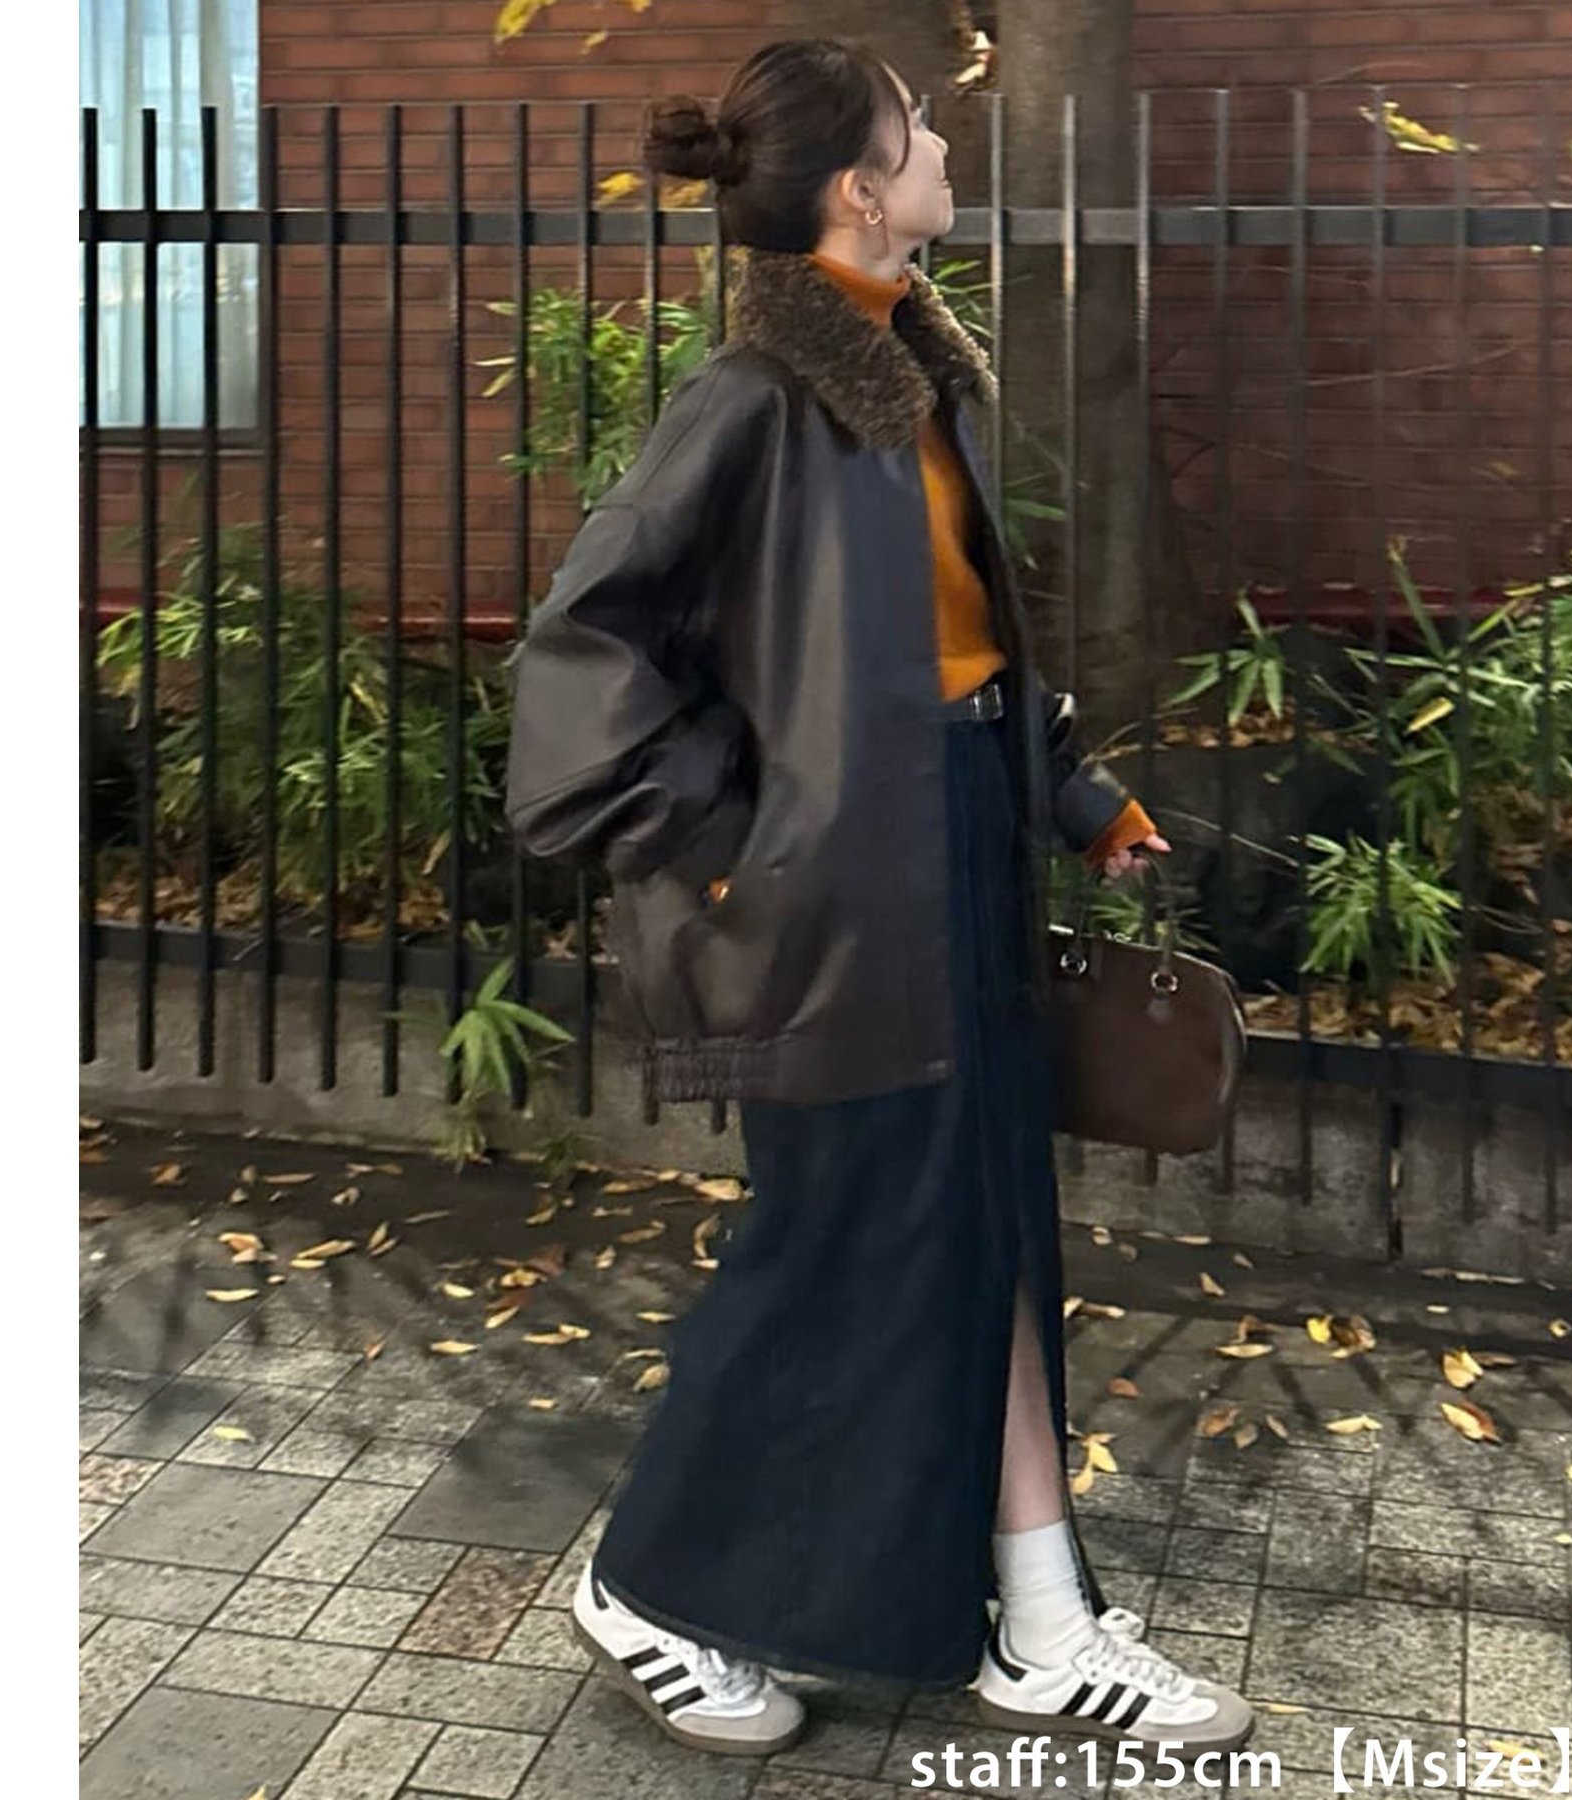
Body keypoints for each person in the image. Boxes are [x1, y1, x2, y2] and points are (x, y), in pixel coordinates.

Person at [505, 35, 1254, 1762]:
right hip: (826, 913)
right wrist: (741, 845)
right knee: (833, 1246)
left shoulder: (911, 373)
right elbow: (581, 666)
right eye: (919, 132)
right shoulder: (755, 401)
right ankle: (643, 1584)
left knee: (990, 1230)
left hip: (956, 857)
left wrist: (1075, 799)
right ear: (859, 188)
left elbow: (950, 655)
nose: (943, 150)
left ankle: (1044, 1624)